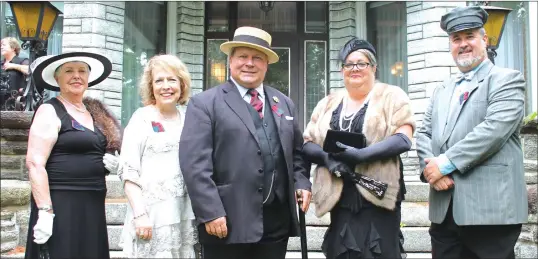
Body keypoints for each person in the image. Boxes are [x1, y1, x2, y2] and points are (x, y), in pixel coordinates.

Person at [178, 26, 312, 259]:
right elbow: (194, 164)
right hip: (227, 221)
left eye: (257, 58)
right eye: (243, 56)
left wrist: (302, 181)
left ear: (266, 64)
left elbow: (297, 152)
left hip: (275, 222)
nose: (249, 63)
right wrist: (210, 212)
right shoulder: (204, 104)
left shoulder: (284, 103)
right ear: (231, 61)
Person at [415, 6, 528, 259]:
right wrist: (431, 171)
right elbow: (423, 133)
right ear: (450, 45)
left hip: (491, 212)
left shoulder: (507, 79)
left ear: (484, 40)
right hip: (445, 212)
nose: (463, 44)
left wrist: (444, 163)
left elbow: (494, 130)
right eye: (456, 39)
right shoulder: (441, 89)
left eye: (470, 36)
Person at [302, 38, 415, 259]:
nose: (355, 68)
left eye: (361, 63)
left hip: (379, 197)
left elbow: (403, 139)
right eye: (348, 64)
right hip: (340, 197)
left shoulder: (391, 96)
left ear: (373, 67)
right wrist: (328, 159)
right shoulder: (328, 103)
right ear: (342, 70)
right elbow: (307, 144)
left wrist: (361, 155)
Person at [24, 51, 121, 259]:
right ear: (57, 78)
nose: (76, 76)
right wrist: (45, 211)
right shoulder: (50, 111)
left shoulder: (96, 114)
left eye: (82, 71)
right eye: (69, 71)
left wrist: (109, 163)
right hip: (61, 201)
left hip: (93, 202)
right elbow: (34, 163)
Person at [117, 54, 197, 258]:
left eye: (172, 80)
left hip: (183, 212)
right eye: (159, 80)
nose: (166, 86)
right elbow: (129, 171)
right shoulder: (141, 119)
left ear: (182, 84)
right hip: (151, 214)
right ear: (151, 86)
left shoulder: (190, 118)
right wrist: (140, 214)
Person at [1, 37, 29, 110]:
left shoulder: (22, 61)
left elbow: (29, 70)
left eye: (4, 45)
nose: (1, 47)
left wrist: (13, 66)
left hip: (16, 104)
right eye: (1, 45)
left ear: (13, 48)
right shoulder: (1, 63)